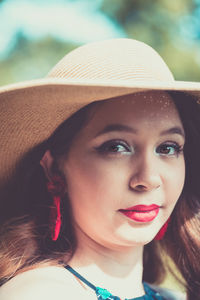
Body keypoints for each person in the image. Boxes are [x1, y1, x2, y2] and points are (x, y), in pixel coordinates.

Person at [0, 38, 199, 300]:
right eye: (116, 147)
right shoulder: (39, 293)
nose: (148, 179)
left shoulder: (174, 296)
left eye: (168, 148)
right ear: (53, 167)